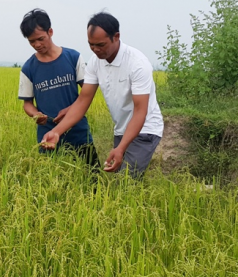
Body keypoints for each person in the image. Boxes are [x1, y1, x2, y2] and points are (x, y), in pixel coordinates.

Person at [40, 12, 163, 179]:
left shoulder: (137, 64)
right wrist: (57, 131)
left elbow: (141, 111)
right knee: (120, 179)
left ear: (116, 37)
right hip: (122, 128)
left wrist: (120, 148)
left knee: (125, 181)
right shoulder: (95, 62)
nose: (96, 49)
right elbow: (83, 100)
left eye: (101, 44)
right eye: (91, 45)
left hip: (145, 129)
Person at [17, 9, 101, 170]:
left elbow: (87, 93)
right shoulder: (28, 68)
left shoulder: (73, 57)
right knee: (53, 181)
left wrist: (70, 110)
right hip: (47, 136)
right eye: (32, 41)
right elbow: (27, 103)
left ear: (50, 32)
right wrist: (35, 114)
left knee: (93, 178)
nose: (37, 45)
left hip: (78, 131)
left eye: (40, 39)